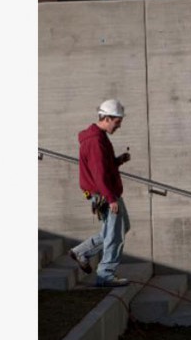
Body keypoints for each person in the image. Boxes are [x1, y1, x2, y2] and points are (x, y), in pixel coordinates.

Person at [68, 99, 132, 287]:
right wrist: (111, 198)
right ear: (107, 118)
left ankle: (82, 251)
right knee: (115, 234)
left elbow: (102, 167)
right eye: (117, 121)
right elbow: (98, 173)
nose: (119, 125)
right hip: (105, 194)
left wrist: (118, 160)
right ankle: (105, 275)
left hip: (105, 193)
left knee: (119, 228)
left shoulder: (98, 137)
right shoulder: (96, 141)